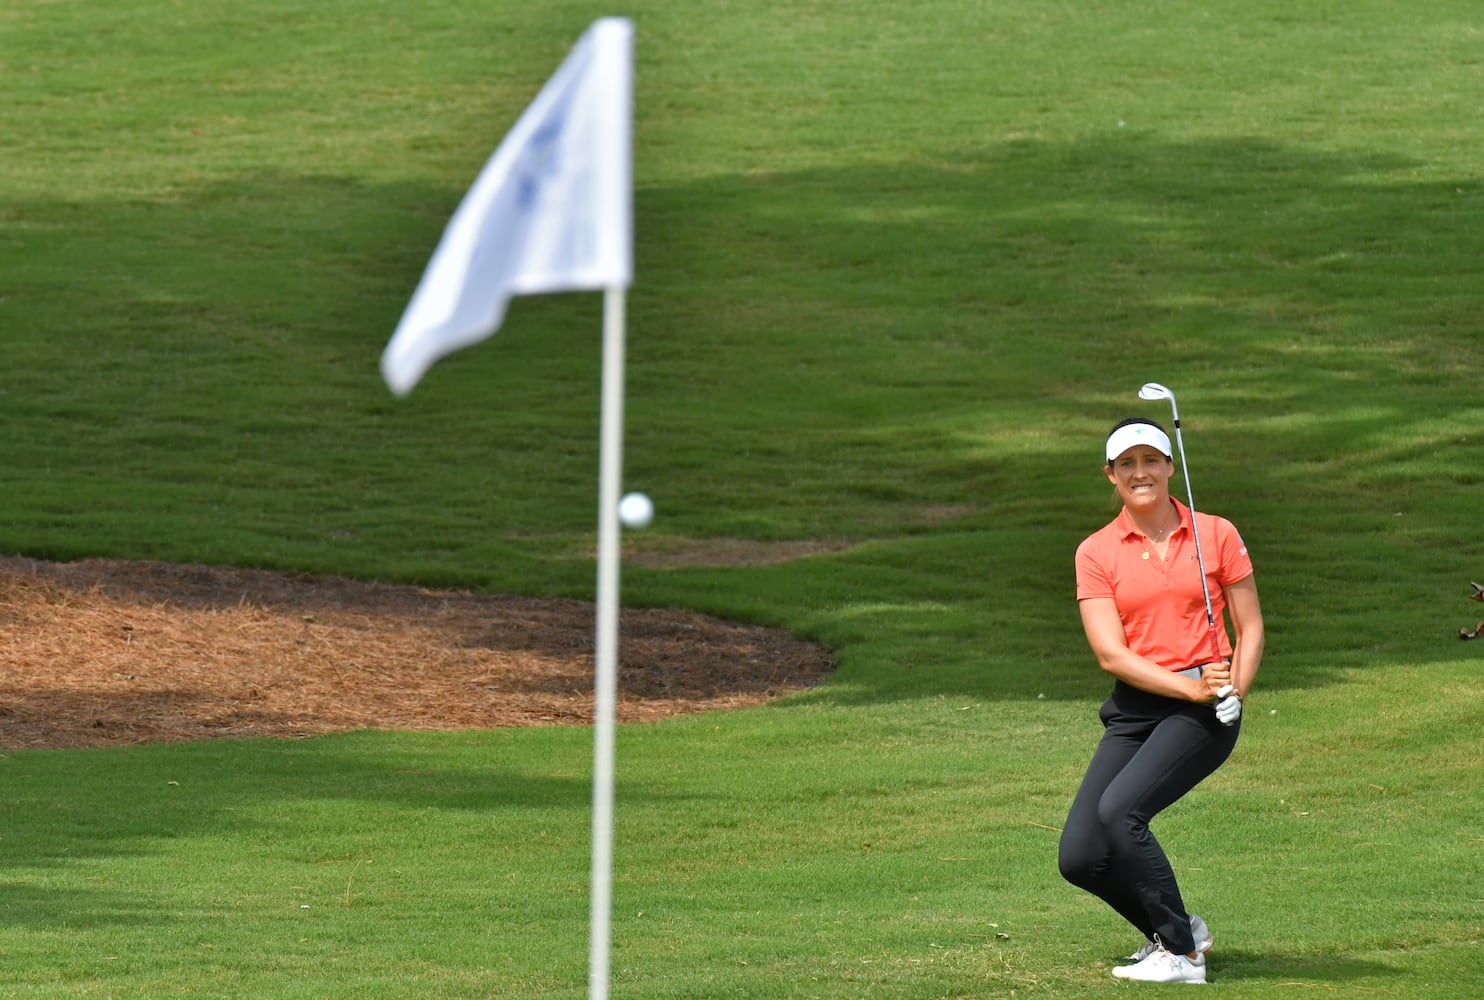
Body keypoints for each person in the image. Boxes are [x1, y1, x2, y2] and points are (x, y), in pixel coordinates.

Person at [1058, 417, 1265, 984]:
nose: (1140, 472)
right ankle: (1179, 929)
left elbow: (1249, 628)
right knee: (1080, 856)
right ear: (1111, 474)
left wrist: (1233, 691)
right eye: (1126, 463)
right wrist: (1187, 686)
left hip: (1205, 709)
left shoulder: (1216, 533)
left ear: (1170, 466)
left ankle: (1183, 955)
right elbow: (1111, 654)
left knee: (1121, 812)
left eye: (1151, 459)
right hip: (1138, 707)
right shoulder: (1096, 551)